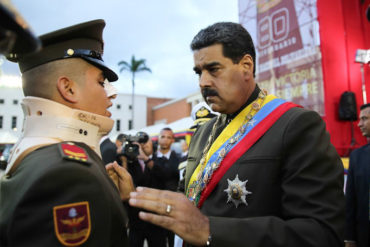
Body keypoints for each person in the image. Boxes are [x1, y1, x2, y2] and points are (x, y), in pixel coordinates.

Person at [121, 22, 345, 247]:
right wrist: (134, 197)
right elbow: (189, 201)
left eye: (213, 69)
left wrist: (210, 230)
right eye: (199, 72)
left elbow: (320, 234)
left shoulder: (295, 126)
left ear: (246, 66)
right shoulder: (203, 132)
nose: (203, 82)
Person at [0, 19, 134, 246]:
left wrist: (112, 198)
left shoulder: (34, 155)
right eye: (101, 83)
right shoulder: (70, 174)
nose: (111, 96)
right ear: (68, 89)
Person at [124, 132, 167, 247]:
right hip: (135, 218)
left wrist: (145, 158)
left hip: (156, 218)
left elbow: (163, 175)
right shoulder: (130, 162)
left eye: (145, 142)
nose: (142, 145)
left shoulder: (160, 159)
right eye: (139, 143)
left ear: (152, 143)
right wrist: (124, 156)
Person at [345, 103, 370, 247]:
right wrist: (349, 238)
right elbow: (350, 200)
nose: (359, 124)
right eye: (360, 119)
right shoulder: (357, 157)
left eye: (365, 119)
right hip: (364, 236)